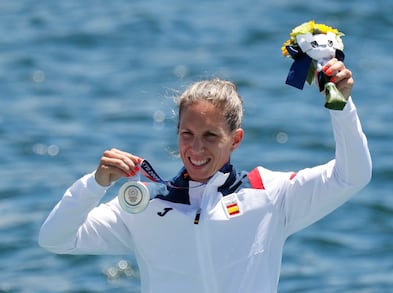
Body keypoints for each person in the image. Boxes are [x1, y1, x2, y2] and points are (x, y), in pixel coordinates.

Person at [39, 58, 372, 293]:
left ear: (235, 140)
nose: (196, 148)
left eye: (210, 136)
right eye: (187, 134)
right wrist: (94, 185)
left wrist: (342, 106)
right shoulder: (144, 206)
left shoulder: (270, 194)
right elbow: (55, 239)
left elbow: (352, 175)